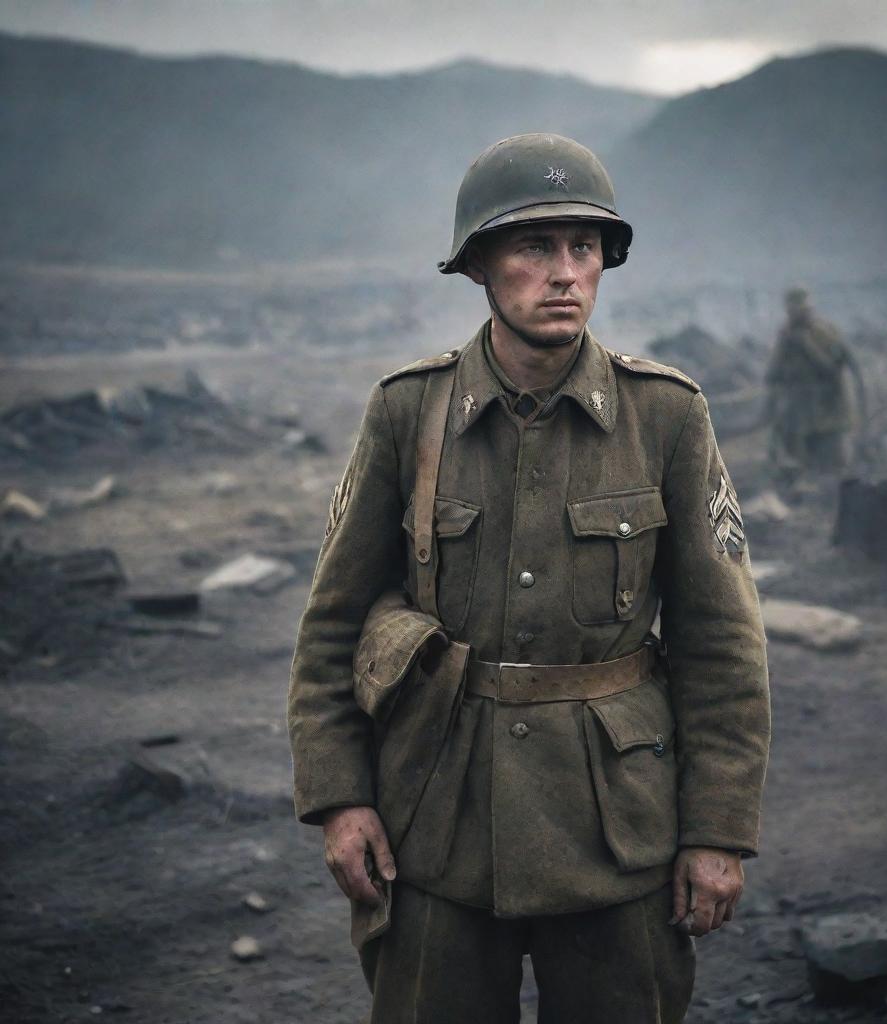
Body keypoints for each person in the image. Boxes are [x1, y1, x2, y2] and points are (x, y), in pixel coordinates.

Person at [287, 133, 771, 1023]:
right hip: (436, 825)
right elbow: (333, 623)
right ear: (478, 266)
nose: (564, 273)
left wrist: (716, 832)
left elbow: (722, 644)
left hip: (616, 832)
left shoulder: (665, 415)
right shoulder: (408, 410)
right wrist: (340, 798)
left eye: (583, 247)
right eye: (533, 246)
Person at [766, 287, 858, 481]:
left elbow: (833, 371)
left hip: (830, 416)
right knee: (802, 470)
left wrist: (806, 345)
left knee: (833, 472)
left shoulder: (824, 333)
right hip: (801, 419)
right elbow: (773, 375)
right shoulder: (786, 336)